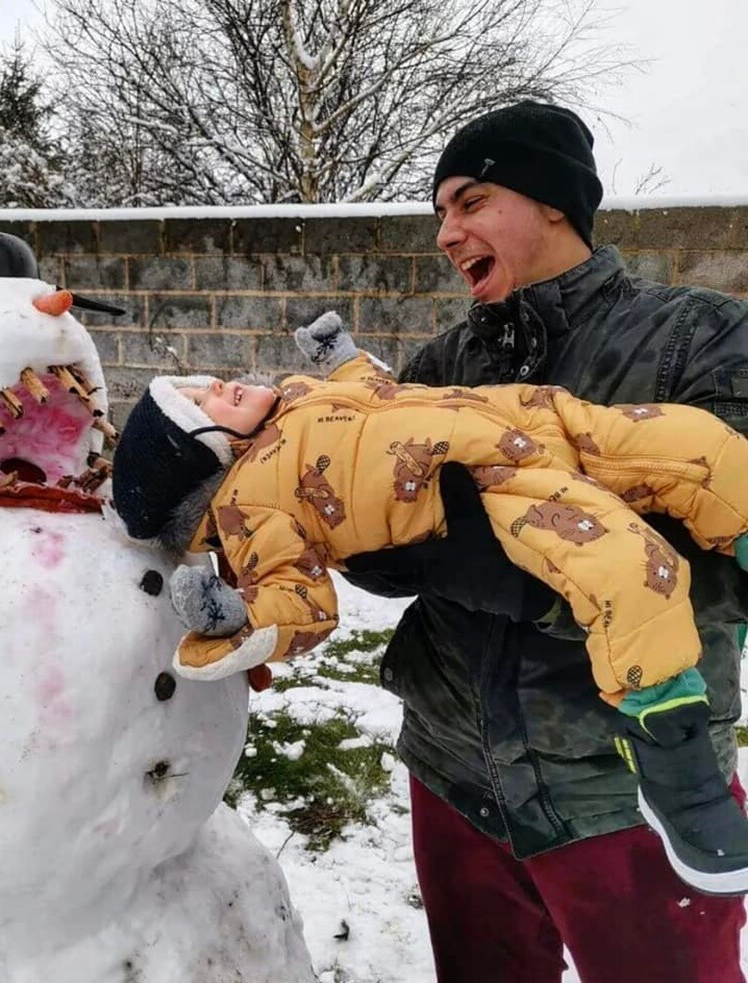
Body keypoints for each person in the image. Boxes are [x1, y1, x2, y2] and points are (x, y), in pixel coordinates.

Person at [111, 305, 748, 890]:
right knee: (632, 569)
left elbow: (369, 390)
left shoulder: (300, 396)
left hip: (540, 419)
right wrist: (235, 614)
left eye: (202, 385)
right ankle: (677, 762)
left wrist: (343, 357)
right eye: (200, 405)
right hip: (500, 484)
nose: (218, 386)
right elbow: (294, 595)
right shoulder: (250, 505)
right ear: (200, 458)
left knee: (703, 446)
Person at [334, 101, 748, 981]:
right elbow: (387, 517)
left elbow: (722, 547)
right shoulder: (442, 366)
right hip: (452, 770)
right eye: (440, 212)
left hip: (622, 793)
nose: (446, 232)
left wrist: (496, 562)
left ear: (553, 200)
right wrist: (367, 539)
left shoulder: (699, 338)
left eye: (471, 201)